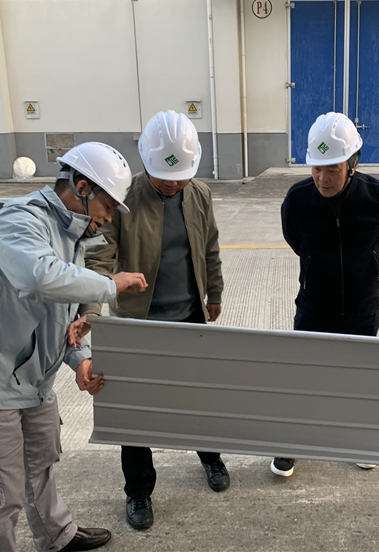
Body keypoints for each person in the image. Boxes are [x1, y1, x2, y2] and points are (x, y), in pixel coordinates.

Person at [0, 142, 149, 552]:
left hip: (32, 381)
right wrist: (110, 284)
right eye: (108, 205)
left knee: (41, 464)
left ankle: (56, 535)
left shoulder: (70, 237)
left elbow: (58, 315)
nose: (109, 218)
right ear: (82, 187)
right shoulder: (18, 221)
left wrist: (79, 358)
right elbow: (39, 278)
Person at [80, 110, 226, 531]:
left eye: (180, 176)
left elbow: (210, 246)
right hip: (137, 322)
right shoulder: (123, 199)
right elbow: (100, 258)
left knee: (200, 397)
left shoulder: (199, 194)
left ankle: (211, 457)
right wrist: (91, 311)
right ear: (145, 160)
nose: (172, 183)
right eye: (164, 175)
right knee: (135, 410)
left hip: (189, 317)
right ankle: (139, 491)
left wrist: (214, 292)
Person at [274, 111, 379, 478]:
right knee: (304, 376)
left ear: (352, 164)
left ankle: (361, 440)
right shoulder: (298, 199)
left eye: (332, 169)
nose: (322, 178)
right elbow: (295, 239)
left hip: (363, 307)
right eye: (316, 168)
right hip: (314, 305)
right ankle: (291, 442)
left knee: (359, 378)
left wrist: (368, 263)